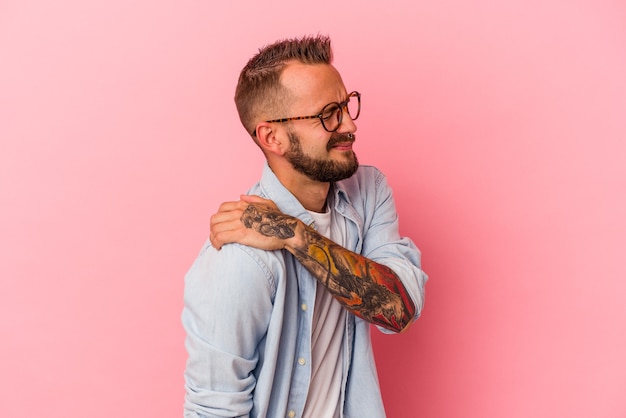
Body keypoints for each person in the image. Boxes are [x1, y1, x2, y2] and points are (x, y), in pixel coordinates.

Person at [182, 35, 428, 418]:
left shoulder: (368, 192)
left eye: (347, 105)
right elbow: (214, 410)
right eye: (328, 113)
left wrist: (297, 235)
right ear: (273, 137)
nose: (349, 124)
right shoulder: (237, 261)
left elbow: (399, 310)